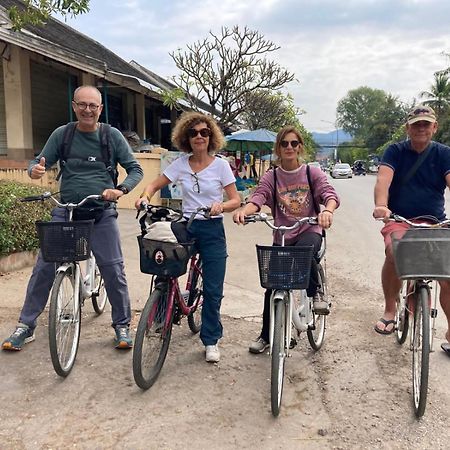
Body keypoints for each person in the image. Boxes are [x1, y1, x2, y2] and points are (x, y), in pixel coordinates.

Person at [2, 85, 143, 351]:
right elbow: (38, 162)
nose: (88, 110)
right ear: (74, 106)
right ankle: (26, 326)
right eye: (83, 105)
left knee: (113, 268)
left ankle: (122, 325)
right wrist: (35, 169)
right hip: (66, 210)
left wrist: (120, 189)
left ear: (100, 109)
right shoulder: (62, 134)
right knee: (44, 266)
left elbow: (135, 169)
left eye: (93, 106)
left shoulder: (111, 136)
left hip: (101, 212)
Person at [135, 111, 240, 363]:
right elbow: (153, 185)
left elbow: (236, 200)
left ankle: (211, 339)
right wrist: (144, 197)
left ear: (211, 136)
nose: (199, 137)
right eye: (193, 133)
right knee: (165, 266)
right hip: (187, 225)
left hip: (212, 228)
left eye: (204, 132)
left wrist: (221, 207)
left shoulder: (221, 166)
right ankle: (160, 316)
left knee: (213, 289)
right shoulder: (181, 164)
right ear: (186, 137)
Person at [233, 126, 340, 354]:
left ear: (300, 147)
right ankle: (265, 336)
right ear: (278, 148)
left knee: (305, 252)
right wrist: (246, 210)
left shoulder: (312, 173)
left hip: (309, 229)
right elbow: (259, 196)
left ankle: (316, 292)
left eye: (293, 143)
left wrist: (327, 211)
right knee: (272, 286)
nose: (289, 147)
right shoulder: (271, 176)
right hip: (282, 234)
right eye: (284, 144)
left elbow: (329, 195)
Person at [373, 104, 450, 353]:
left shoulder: (443, 153)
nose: (421, 129)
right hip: (399, 218)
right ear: (408, 128)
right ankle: (390, 309)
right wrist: (381, 205)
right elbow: (383, 180)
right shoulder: (395, 151)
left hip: (434, 221)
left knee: (447, 275)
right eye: (416, 124)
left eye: (426, 124)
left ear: (434, 127)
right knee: (395, 253)